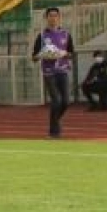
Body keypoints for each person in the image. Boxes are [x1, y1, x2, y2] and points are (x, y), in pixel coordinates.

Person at [30, 7, 74, 137]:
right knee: (57, 100)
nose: (53, 18)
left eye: (55, 15)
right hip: (49, 72)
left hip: (63, 70)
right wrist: (43, 55)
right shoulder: (42, 36)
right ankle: (54, 131)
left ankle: (55, 121)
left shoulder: (66, 35)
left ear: (59, 18)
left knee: (66, 101)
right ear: (46, 18)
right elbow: (34, 57)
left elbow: (71, 53)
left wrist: (64, 53)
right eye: (50, 15)